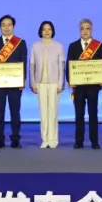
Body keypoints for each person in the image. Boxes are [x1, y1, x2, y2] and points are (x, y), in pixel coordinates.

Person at [0, 14, 27, 149]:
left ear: (13, 26)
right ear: (0, 27)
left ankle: (15, 140)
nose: (6, 27)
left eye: (9, 25)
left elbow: (23, 62)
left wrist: (23, 80)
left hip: (15, 84)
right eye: (3, 25)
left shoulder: (20, 43)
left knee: (15, 113)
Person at [67, 19, 102, 149]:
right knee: (79, 115)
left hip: (93, 86)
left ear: (92, 30)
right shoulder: (73, 46)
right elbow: (69, 65)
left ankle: (94, 142)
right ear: (79, 30)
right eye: (82, 28)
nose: (85, 31)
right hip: (78, 87)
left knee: (93, 114)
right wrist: (70, 80)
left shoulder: (98, 45)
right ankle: (79, 142)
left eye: (88, 28)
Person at [30, 20, 65, 149]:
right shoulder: (35, 46)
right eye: (44, 29)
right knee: (43, 114)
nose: (47, 31)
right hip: (40, 84)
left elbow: (61, 67)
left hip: (54, 84)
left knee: (53, 112)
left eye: (49, 29)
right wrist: (33, 83)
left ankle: (53, 140)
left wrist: (60, 84)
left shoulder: (59, 46)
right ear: (41, 31)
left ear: (52, 31)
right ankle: (44, 139)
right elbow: (32, 66)